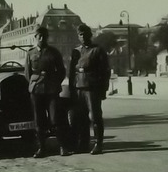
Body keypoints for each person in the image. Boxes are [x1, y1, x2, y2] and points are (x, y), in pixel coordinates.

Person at [23, 23, 68, 157]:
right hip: (36, 90)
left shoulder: (54, 52)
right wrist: (33, 84)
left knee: (55, 119)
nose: (42, 39)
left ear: (47, 37)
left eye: (44, 36)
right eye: (39, 36)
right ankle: (42, 148)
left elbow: (61, 71)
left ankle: (62, 147)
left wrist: (54, 83)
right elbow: (27, 73)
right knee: (39, 120)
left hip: (51, 90)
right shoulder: (30, 53)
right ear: (35, 37)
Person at [71, 23, 112, 154]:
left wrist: (103, 90)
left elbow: (105, 71)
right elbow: (72, 71)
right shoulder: (77, 51)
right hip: (79, 88)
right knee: (81, 118)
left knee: (95, 117)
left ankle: (98, 144)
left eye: (85, 34)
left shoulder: (97, 50)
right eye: (80, 35)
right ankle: (83, 144)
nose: (82, 37)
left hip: (92, 88)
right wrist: (72, 88)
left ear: (90, 35)